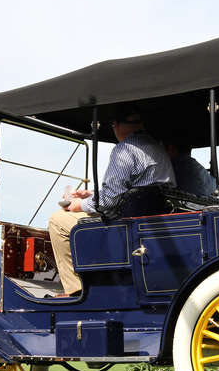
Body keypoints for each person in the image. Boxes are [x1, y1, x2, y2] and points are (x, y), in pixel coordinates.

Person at [48, 102, 175, 297]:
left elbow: (108, 202)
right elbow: (132, 189)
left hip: (125, 226)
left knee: (58, 220)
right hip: (150, 220)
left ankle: (75, 290)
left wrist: (78, 205)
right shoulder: (158, 149)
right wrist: (91, 194)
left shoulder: (124, 150)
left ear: (115, 125)